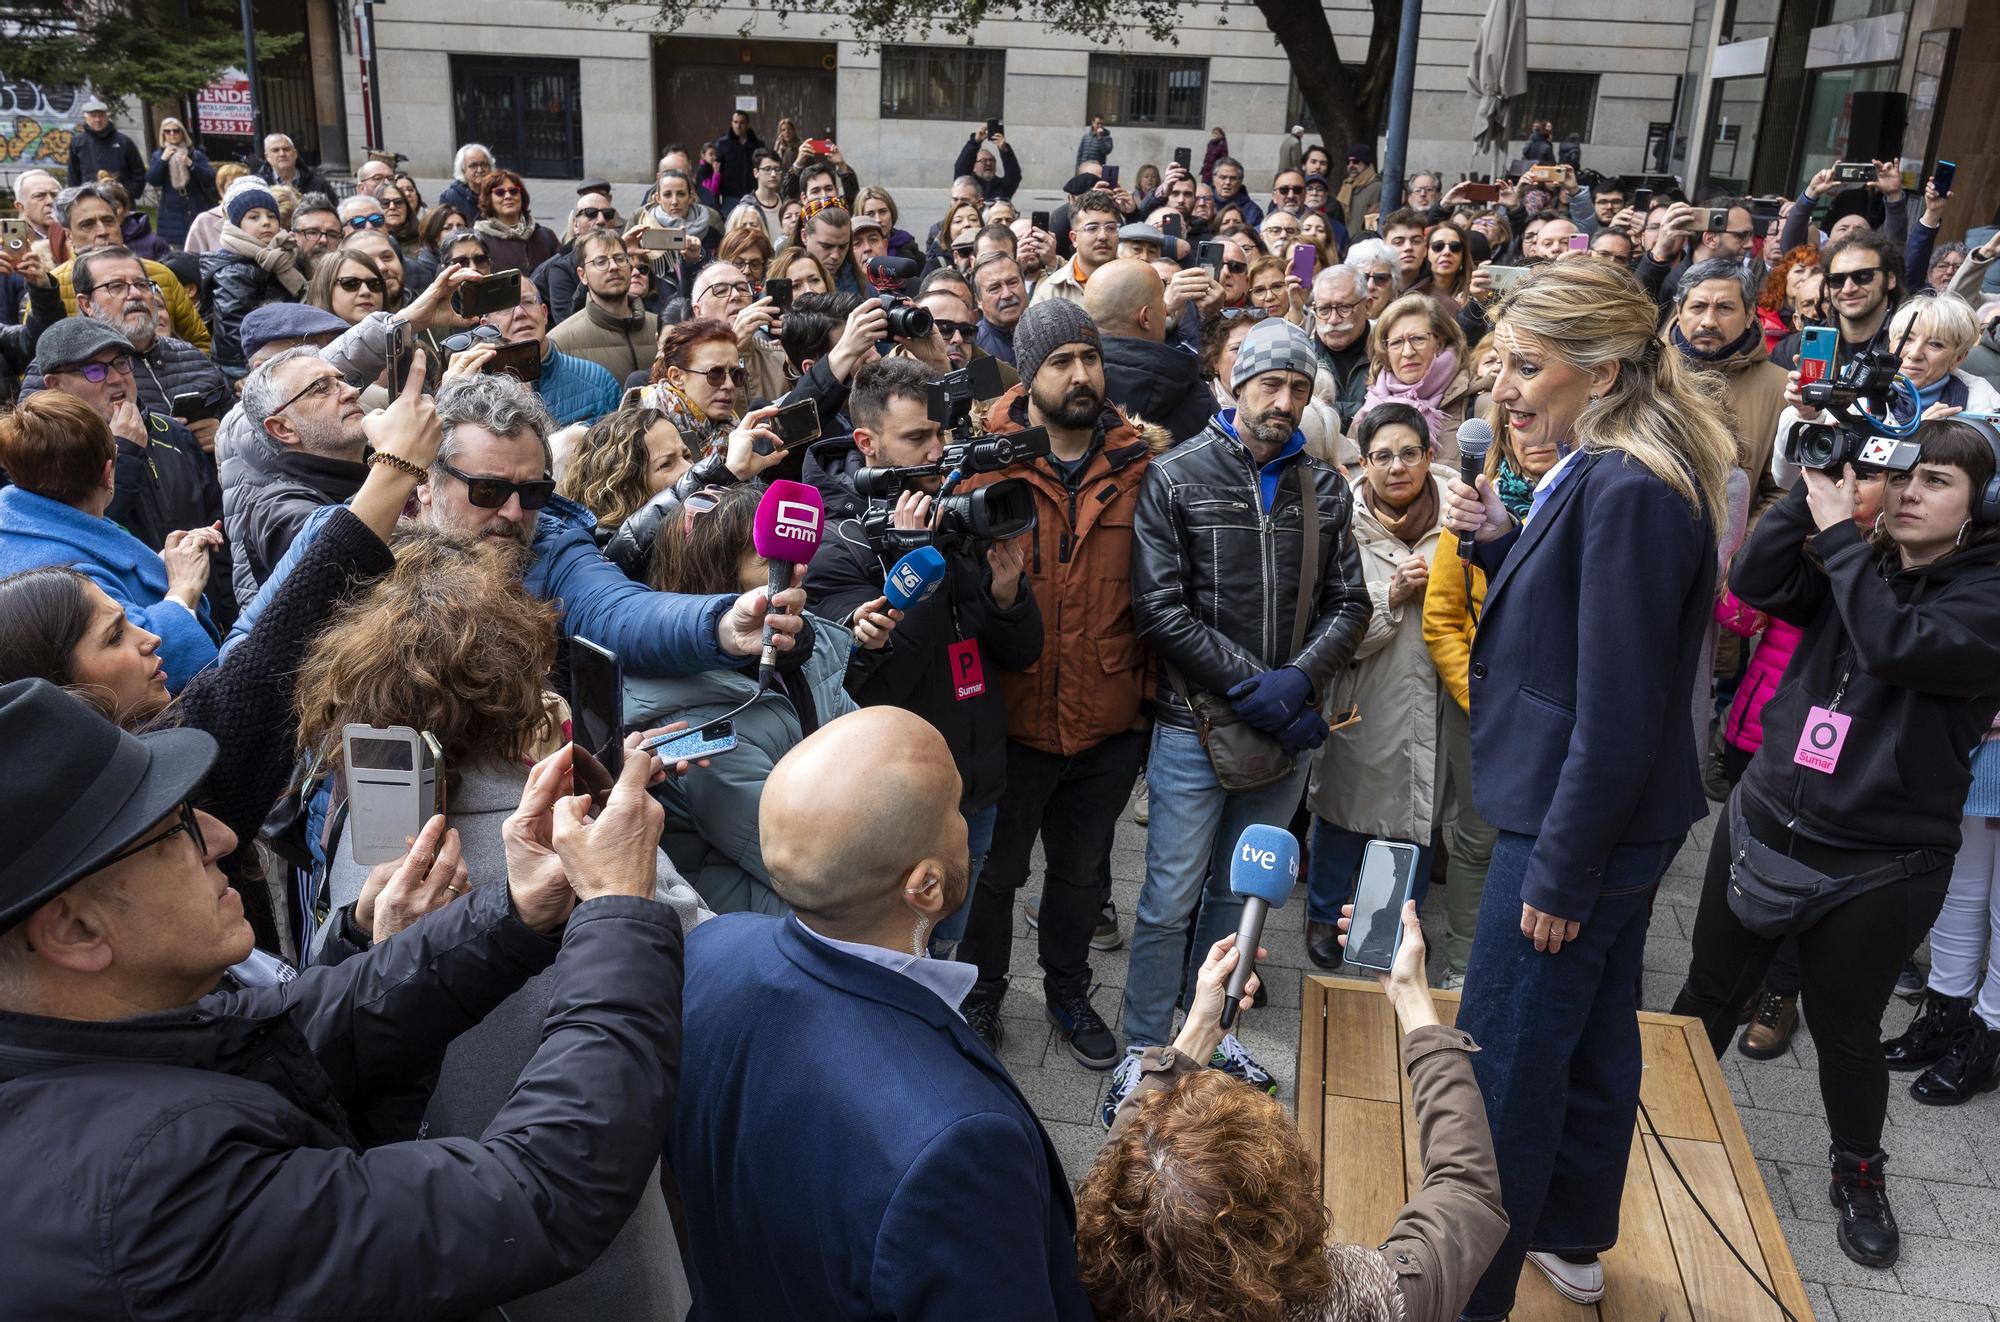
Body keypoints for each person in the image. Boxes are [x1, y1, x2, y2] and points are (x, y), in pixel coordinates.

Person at [0, 672, 694, 1317]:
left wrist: (517, 913)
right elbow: (539, 1193)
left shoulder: (99, 1039)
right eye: (173, 832)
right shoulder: (146, 1197)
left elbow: (313, 1021)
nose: (218, 835)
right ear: (76, 929)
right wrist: (617, 908)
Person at [296, 528, 706, 1318]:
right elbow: (692, 952)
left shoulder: (360, 828)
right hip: (585, 1214)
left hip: (422, 1228)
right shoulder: (576, 832)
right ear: (518, 680)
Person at [1438, 259, 1734, 1317]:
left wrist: (1560, 872)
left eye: (1527, 364)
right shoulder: (1614, 466)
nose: (1503, 388)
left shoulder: (1625, 487)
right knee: (1597, 1033)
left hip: (1573, 828)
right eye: (1499, 362)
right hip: (1603, 820)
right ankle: (1567, 1231)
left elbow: (1616, 711)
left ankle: (1463, 1287)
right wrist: (1502, 545)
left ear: (1601, 371)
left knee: (1501, 1070)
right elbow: (1591, 637)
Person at [1671, 418, 2000, 1268]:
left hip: (1881, 862)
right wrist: (1809, 497)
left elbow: (1895, 644)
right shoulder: (1864, 558)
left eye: (1936, 482)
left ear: (1981, 508)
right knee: (1705, 995)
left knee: (1846, 1031)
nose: (1909, 493)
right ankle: (1641, 1126)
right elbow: (1756, 577)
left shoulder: (1988, 595)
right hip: (1765, 818)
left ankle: (1859, 1176)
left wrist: (1841, 543)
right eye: (1903, 476)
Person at [672, 705, 1093, 1320]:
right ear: (924, 887)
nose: (966, 821)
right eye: (955, 809)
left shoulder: (708, 953)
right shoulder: (961, 1146)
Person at [1112, 317, 1370, 1117]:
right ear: (1234, 386)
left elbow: (1350, 602)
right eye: (1271, 384)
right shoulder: (1176, 474)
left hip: (1280, 726)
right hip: (1193, 724)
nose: (1284, 401)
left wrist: (1295, 679)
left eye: (1299, 387)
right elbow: (1159, 608)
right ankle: (1145, 1051)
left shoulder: (1324, 486)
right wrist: (1257, 684)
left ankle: (1214, 1032)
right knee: (1167, 899)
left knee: (1241, 901)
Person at [231, 371, 810, 682]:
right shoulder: (346, 538)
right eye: (486, 490)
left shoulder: (554, 543)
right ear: (425, 482)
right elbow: (247, 658)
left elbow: (621, 612)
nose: (512, 514)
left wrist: (723, 626)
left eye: (531, 491)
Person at [1081, 910, 1507, 1322]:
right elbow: (1466, 1189)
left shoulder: (1081, 1276)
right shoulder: (1365, 1302)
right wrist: (1411, 996)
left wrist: (1202, 1029)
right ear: (1286, 1210)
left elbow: (1116, 1156)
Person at [955, 301, 1160, 1064]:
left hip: (1106, 722)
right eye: (1061, 363)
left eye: (1090, 358)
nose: (1081, 376)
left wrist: (1143, 710)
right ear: (1029, 375)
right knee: (997, 876)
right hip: (1011, 721)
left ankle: (1068, 991)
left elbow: (1159, 593)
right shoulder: (986, 463)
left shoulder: (1141, 465)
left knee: (1080, 875)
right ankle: (981, 996)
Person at [803, 358, 1044, 953]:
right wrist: (918, 565)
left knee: (952, 941)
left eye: (940, 434)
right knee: (905, 950)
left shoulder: (956, 517)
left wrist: (1009, 593)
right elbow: (872, 686)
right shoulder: (843, 550)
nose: (936, 452)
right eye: (916, 438)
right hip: (899, 802)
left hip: (976, 785)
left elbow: (1022, 654)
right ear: (868, 442)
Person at [626, 482, 894, 914]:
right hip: (768, 920)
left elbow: (867, 755)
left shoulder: (800, 652)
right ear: (715, 578)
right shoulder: (695, 718)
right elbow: (801, 857)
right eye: (771, 560)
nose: (798, 571)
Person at [1304, 402, 1450, 967]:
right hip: (1363, 697)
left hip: (1434, 700)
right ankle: (1326, 914)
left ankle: (1391, 921)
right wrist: (1388, 599)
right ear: (1364, 462)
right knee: (1345, 814)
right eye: (1383, 456)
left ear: (1428, 457)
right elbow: (1330, 633)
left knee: (1416, 814)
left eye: (1409, 454)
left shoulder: (1457, 523)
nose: (1397, 467)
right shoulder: (1341, 525)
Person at [1421, 407, 1556, 988]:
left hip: (1555, 713)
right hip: (1480, 711)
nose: (1539, 442)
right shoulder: (1472, 514)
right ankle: (1463, 963)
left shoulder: (1584, 509)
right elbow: (1442, 621)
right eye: (1526, 432)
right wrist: (1482, 697)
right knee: (1477, 840)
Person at [0, 391, 219, 689]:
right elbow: (138, 661)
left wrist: (161, 564)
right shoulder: (64, 574)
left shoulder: (21, 524)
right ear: (108, 473)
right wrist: (184, 589)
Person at [24, 246, 228, 432]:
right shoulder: (60, 368)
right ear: (86, 304)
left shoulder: (191, 356)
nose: (136, 294)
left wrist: (220, 433)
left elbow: (236, 422)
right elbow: (36, 453)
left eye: (142, 284)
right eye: (116, 286)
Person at [1671, 258, 1790, 520]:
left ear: (1749, 316)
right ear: (1679, 312)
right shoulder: (1642, 373)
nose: (1709, 321)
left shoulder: (1781, 389)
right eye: (1698, 307)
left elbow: (1783, 491)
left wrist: (1738, 552)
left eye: (1725, 308)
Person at [1085, 257, 1214, 442]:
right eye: (1163, 307)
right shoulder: (1196, 395)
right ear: (1145, 318)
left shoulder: (1069, 386)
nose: (1166, 314)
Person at [198, 186, 307, 372]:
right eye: (254, 217)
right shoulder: (234, 269)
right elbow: (233, 328)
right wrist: (242, 372)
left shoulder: (277, 257)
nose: (266, 222)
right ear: (237, 225)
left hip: (277, 353)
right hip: (244, 364)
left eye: (271, 216)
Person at [1353, 292, 1472, 460]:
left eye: (1417, 339)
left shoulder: (1475, 403)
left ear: (1440, 342)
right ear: (1385, 351)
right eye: (1396, 343)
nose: (1407, 352)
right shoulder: (1367, 411)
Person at [556, 398, 693, 541]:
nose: (690, 468)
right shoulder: (609, 555)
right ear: (624, 485)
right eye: (666, 464)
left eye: (687, 455)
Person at [548, 230, 657, 382]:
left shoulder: (659, 328)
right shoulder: (560, 343)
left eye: (620, 259)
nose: (613, 266)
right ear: (582, 275)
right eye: (600, 262)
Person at [531, 185, 621, 324]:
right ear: (575, 225)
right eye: (590, 213)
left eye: (608, 213)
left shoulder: (625, 257)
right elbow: (567, 323)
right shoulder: (559, 269)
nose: (601, 220)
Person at [1033, 190, 1122, 308]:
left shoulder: (1136, 282)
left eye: (1111, 228)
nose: (1103, 236)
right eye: (1092, 228)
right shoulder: (1050, 291)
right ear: (1074, 238)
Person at [1310, 264, 1374, 428]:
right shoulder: (1303, 356)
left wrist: (1328, 410)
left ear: (1367, 306)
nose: (1333, 319)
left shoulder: (1388, 352)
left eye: (1344, 307)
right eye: (1324, 309)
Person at [143, 117, 216, 249]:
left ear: (182, 132)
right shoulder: (158, 155)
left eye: (176, 131)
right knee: (176, 250)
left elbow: (210, 178)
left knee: (200, 245)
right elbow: (152, 180)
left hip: (195, 204)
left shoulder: (195, 154)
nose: (172, 134)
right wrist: (163, 160)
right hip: (171, 209)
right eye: (167, 131)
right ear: (163, 134)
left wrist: (191, 164)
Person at [473, 170, 559, 276]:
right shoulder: (479, 239)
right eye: (500, 192)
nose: (508, 196)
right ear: (488, 199)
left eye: (513, 191)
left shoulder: (546, 235)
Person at [66, 96, 145, 197]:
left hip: (120, 198)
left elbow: (138, 170)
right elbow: (73, 174)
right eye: (93, 116)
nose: (98, 119)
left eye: (101, 115)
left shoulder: (123, 141)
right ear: (86, 118)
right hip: (89, 198)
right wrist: (75, 197)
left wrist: (129, 192)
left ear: (107, 117)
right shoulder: (78, 142)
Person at [255, 132, 332, 200]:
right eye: (275, 150)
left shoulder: (319, 184)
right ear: (267, 157)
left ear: (295, 154)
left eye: (286, 149)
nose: (282, 154)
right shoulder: (259, 186)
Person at [439, 142, 496, 224]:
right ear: (463, 169)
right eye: (473, 165)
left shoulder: (500, 192)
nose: (480, 170)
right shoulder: (449, 198)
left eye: (484, 164)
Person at [1339, 143, 1383, 228]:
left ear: (1366, 163)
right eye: (1348, 162)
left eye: (1356, 161)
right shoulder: (1346, 186)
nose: (1351, 165)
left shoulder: (1377, 187)